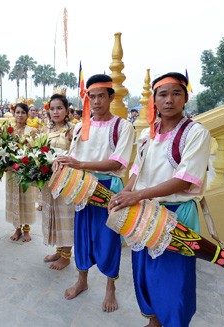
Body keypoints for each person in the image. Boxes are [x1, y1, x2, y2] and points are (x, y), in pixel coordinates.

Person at [110, 72, 210, 326]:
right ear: (154, 100)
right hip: (143, 212)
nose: (169, 100)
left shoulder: (196, 133)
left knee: (174, 278)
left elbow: (186, 179)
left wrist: (138, 195)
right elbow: (136, 170)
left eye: (176, 93)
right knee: (145, 271)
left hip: (176, 214)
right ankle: (154, 320)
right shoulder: (147, 133)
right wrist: (126, 193)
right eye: (162, 94)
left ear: (185, 98)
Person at [56, 74, 135, 312]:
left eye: (102, 96)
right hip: (82, 188)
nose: (97, 101)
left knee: (108, 240)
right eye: (92, 96)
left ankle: (110, 288)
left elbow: (117, 163)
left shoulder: (123, 126)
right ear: (87, 99)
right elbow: (73, 157)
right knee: (82, 236)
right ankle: (82, 280)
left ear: (111, 97)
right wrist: (62, 163)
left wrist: (81, 165)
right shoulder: (82, 126)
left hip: (107, 190)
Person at [41, 94, 75, 270]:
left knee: (65, 216)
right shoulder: (45, 129)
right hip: (48, 180)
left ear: (67, 110)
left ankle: (66, 256)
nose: (55, 112)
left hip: (66, 180)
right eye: (52, 108)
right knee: (53, 215)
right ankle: (59, 250)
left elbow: (76, 154)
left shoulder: (72, 130)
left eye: (59, 108)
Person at [6, 103, 38, 242]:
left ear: (27, 115)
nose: (20, 115)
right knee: (14, 198)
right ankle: (17, 228)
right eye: (17, 112)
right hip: (11, 170)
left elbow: (35, 150)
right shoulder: (8, 130)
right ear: (14, 114)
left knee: (26, 198)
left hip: (25, 170)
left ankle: (26, 230)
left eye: (23, 112)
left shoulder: (32, 131)